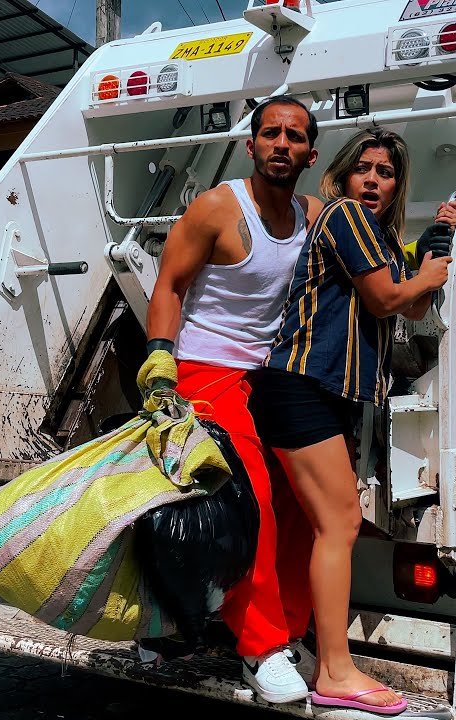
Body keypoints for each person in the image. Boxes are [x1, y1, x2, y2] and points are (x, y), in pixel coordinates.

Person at [248, 128, 456, 715]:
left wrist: (435, 244)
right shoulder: (343, 216)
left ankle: (300, 646)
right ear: (341, 177)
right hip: (300, 384)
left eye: (385, 173)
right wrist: (426, 277)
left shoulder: (382, 237)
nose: (373, 179)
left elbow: (411, 301)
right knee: (339, 524)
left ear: (396, 186)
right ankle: (336, 671)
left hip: (327, 393)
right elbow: (387, 300)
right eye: (363, 169)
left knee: (315, 526)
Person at [142, 95, 323, 704]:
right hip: (205, 369)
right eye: (270, 133)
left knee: (307, 503)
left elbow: (370, 250)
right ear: (251, 145)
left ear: (310, 152)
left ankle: (290, 632)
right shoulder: (219, 207)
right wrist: (159, 359)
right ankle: (260, 648)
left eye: (294, 136)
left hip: (272, 376)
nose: (281, 144)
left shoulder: (314, 214)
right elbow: (169, 285)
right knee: (257, 502)